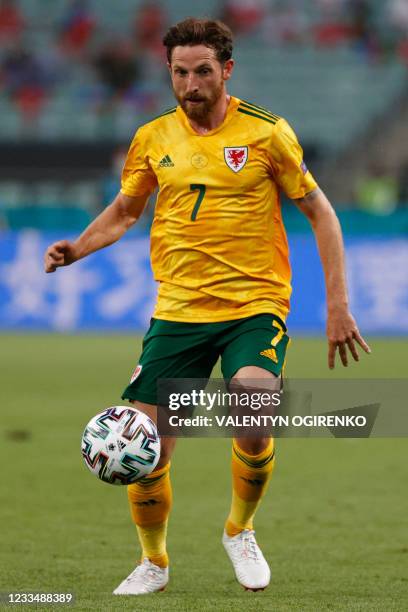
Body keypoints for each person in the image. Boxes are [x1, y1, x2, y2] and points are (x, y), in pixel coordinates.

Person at [44, 17, 370, 596]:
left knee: (253, 409)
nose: (189, 84)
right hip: (179, 310)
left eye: (201, 72)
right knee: (143, 444)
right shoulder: (153, 138)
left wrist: (339, 306)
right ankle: (155, 562)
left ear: (226, 70)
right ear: (168, 72)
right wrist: (78, 247)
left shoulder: (268, 134)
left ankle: (239, 529)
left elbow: (321, 213)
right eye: (178, 73)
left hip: (255, 303)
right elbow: (124, 211)